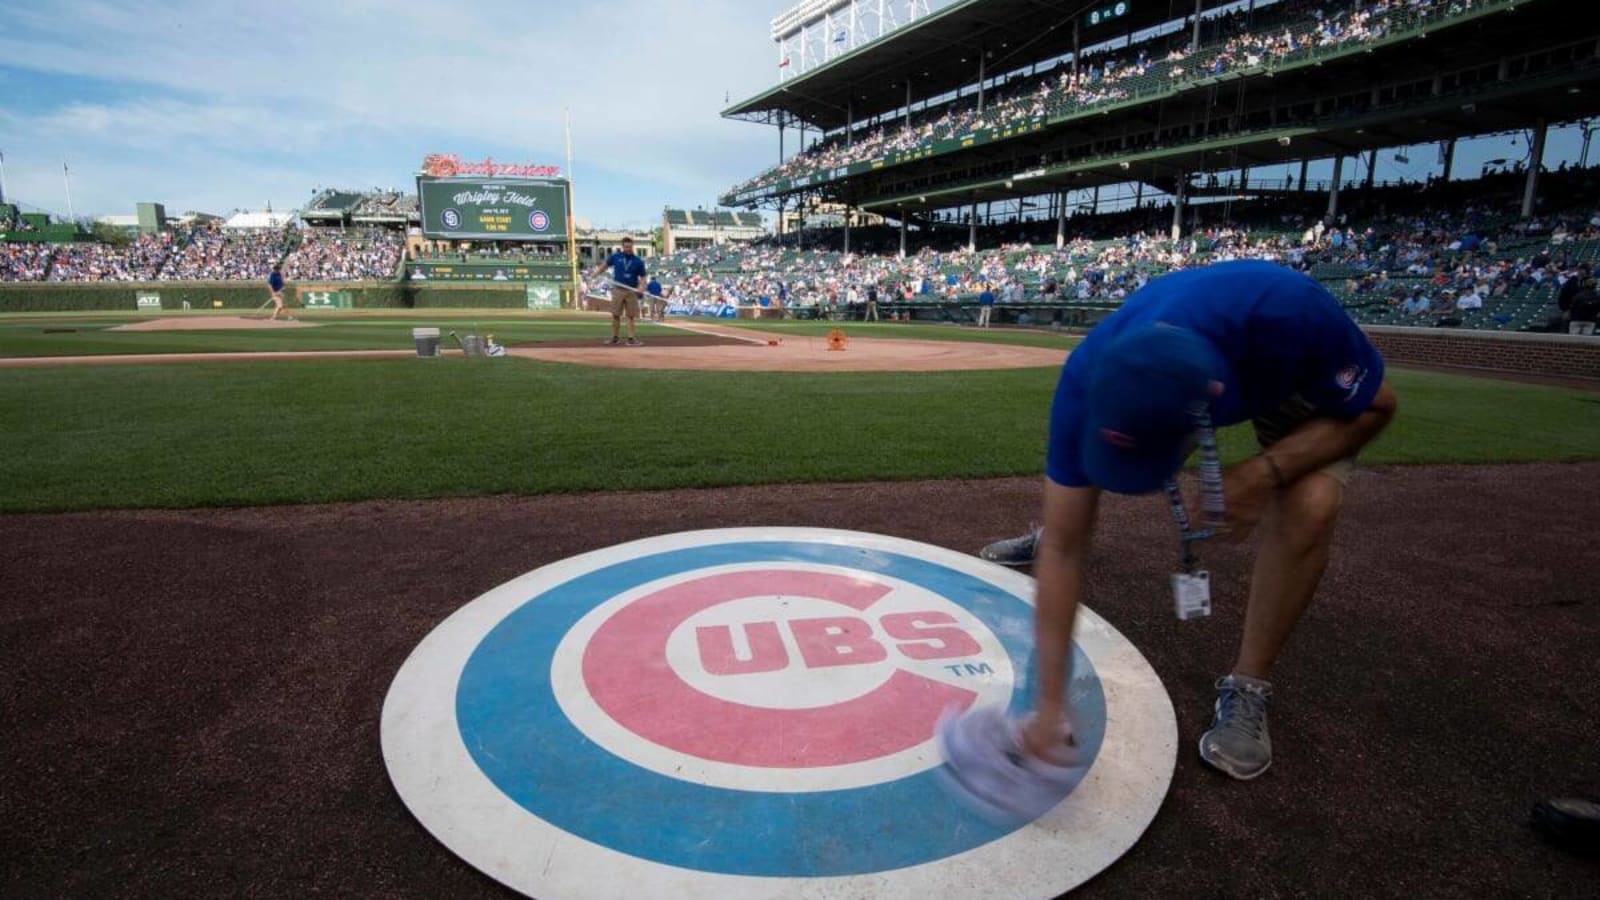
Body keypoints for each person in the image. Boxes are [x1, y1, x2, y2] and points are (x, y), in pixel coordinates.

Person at [950, 261, 1397, 811]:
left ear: (1203, 423)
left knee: (1313, 503)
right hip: (1186, 367)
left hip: (1284, 369)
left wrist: (1264, 472)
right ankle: (1043, 525)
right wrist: (1048, 709)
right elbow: (1067, 550)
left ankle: (1248, 685)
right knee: (1066, 523)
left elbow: (1379, 407)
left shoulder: (1293, 314)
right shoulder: (1087, 376)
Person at [587, 237, 646, 345]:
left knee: (631, 316)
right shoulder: (616, 257)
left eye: (630, 246)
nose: (628, 248)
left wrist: (641, 287)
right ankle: (615, 337)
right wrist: (594, 274)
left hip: (631, 291)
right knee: (615, 315)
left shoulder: (638, 261)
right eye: (626, 247)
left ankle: (631, 338)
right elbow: (604, 266)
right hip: (618, 289)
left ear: (632, 246)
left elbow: (643, 277)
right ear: (622, 246)